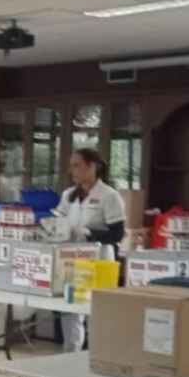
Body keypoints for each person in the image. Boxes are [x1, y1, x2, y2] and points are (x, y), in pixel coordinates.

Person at [57, 148, 126, 352]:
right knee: (70, 311)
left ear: (92, 166)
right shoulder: (69, 195)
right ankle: (70, 354)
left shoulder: (109, 196)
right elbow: (59, 222)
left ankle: (97, 354)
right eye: (71, 166)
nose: (72, 170)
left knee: (96, 311)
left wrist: (87, 233)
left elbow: (117, 234)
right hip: (71, 260)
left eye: (77, 165)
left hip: (100, 262)